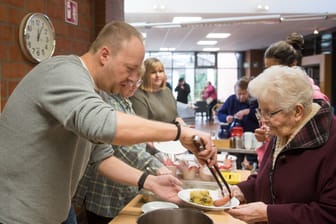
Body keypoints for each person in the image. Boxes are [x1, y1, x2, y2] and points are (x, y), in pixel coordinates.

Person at [0, 21, 217, 224]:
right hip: (19, 214)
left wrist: (149, 182)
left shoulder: (96, 92)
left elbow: (101, 157)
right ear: (105, 55)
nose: (133, 78)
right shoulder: (62, 72)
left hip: (57, 210)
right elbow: (102, 124)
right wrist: (179, 133)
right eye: (130, 68)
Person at [227, 65, 336, 223]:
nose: (263, 120)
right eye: (260, 111)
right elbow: (271, 177)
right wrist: (242, 190)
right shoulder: (286, 127)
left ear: (297, 111)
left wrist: (268, 214)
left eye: (269, 113)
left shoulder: (331, 144)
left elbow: (329, 215)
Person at [73, 71, 172, 224]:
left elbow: (134, 137)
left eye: (137, 83)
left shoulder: (124, 101)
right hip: (106, 193)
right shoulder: (107, 103)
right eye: (131, 83)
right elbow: (122, 147)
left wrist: (157, 154)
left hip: (125, 188)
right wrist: (155, 166)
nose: (134, 87)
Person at [255, 32, 330, 163]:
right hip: (272, 163)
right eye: (267, 69)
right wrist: (266, 135)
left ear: (293, 65)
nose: (269, 75)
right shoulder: (273, 94)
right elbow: (274, 130)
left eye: (274, 69)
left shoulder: (314, 98)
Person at [130, 57, 187, 126]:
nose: (158, 75)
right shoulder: (137, 95)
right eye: (153, 72)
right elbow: (142, 126)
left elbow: (175, 116)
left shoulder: (167, 91)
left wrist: (185, 127)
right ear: (145, 75)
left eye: (160, 71)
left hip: (174, 134)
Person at [217, 77, 259, 169]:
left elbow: (260, 115)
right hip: (234, 138)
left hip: (251, 137)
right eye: (239, 94)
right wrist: (226, 117)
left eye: (244, 94)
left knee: (253, 162)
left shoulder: (254, 101)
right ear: (235, 92)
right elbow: (220, 114)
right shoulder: (231, 100)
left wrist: (248, 111)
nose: (241, 97)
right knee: (235, 160)